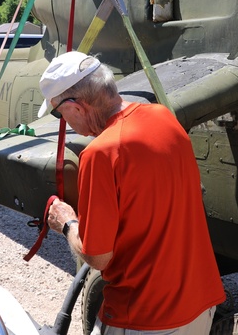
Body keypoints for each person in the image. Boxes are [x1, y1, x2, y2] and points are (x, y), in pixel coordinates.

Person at [42, 52, 226, 335]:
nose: (62, 122)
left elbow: (98, 257)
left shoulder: (99, 154)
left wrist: (66, 223)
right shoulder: (165, 117)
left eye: (58, 112)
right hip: (200, 305)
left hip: (143, 317)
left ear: (76, 107)